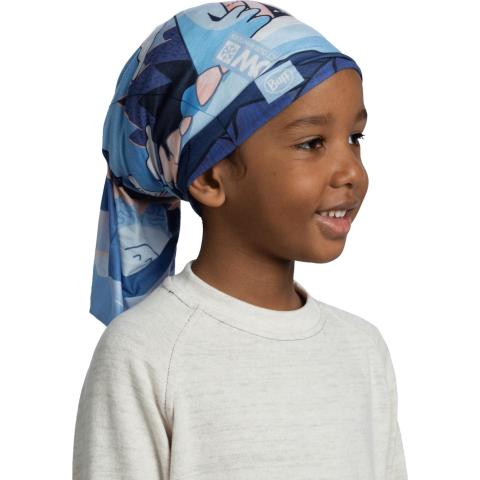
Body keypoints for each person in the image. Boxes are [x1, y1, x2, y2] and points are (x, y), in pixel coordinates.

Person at [73, 2, 408, 479]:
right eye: (312, 143)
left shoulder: (363, 350)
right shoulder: (143, 353)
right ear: (210, 177)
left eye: (355, 138)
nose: (352, 171)